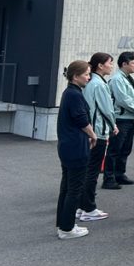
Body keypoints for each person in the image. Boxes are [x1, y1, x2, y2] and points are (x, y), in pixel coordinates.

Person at [56, 61, 98, 239]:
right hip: (76, 147)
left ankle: (63, 224)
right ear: (75, 76)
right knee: (74, 189)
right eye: (86, 74)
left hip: (67, 146)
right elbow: (81, 119)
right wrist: (93, 135)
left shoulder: (69, 93)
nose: (89, 77)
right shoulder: (75, 95)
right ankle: (67, 228)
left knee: (67, 187)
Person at [82, 52, 117, 218]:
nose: (111, 66)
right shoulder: (100, 84)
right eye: (110, 63)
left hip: (89, 130)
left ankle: (82, 206)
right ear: (100, 65)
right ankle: (88, 208)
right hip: (98, 132)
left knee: (87, 170)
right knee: (93, 171)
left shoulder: (90, 82)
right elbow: (107, 109)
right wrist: (113, 125)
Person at [105, 51, 134, 188]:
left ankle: (119, 174)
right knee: (115, 149)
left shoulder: (130, 79)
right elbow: (122, 99)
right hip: (120, 119)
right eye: (133, 63)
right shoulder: (117, 79)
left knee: (125, 149)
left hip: (129, 118)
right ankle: (109, 178)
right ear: (124, 64)